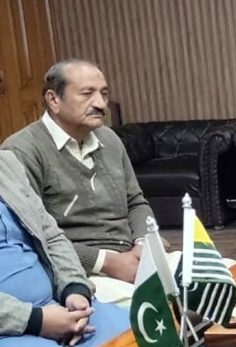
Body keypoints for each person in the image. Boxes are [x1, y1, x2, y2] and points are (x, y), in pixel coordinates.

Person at [2, 59, 155, 303]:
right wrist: (106, 262)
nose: (101, 104)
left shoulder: (110, 139)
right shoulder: (21, 152)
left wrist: (144, 244)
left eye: (104, 94)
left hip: (134, 259)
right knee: (154, 306)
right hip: (80, 275)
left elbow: (136, 202)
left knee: (210, 278)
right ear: (54, 100)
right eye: (87, 94)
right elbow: (35, 237)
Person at [0, 150, 129, 347]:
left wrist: (75, 289)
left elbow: (52, 236)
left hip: (60, 307)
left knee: (147, 341)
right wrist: (35, 320)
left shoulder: (6, 164)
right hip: (10, 331)